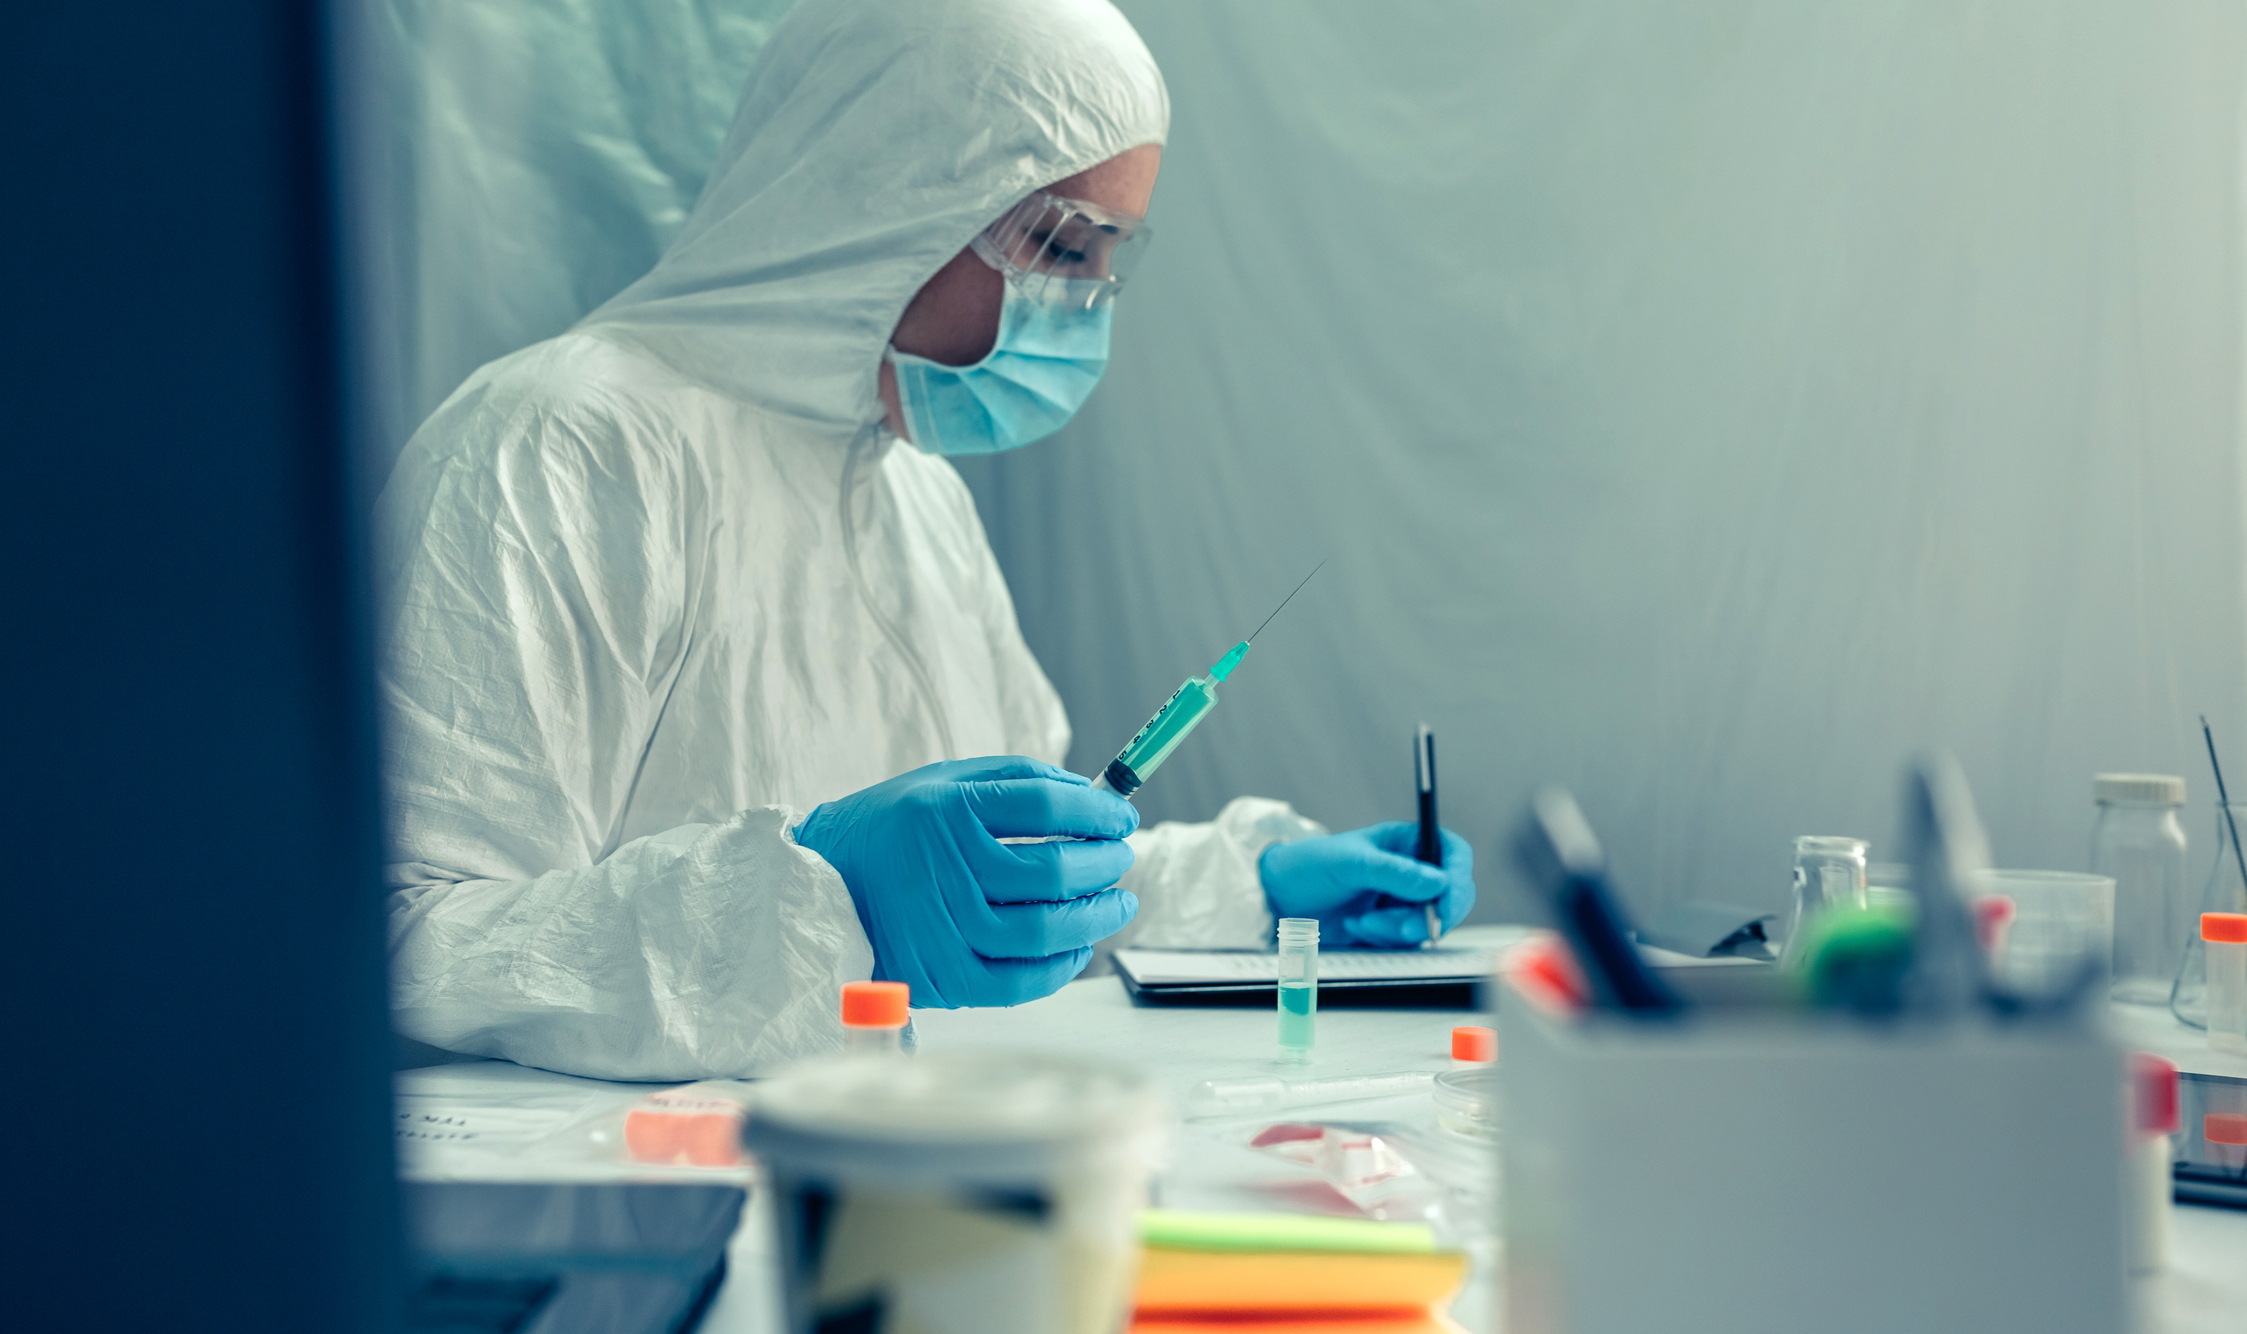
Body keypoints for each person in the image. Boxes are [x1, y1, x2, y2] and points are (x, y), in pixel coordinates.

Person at [379, 0, 1476, 1081]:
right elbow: (406, 934)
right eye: (1059, 244)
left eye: (1109, 259)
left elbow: (1016, 876)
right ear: (886, 194)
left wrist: (1258, 884)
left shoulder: (918, 500)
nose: (1087, 303)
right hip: (627, 1205)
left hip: (903, 1149)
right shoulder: (555, 446)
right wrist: (822, 900)